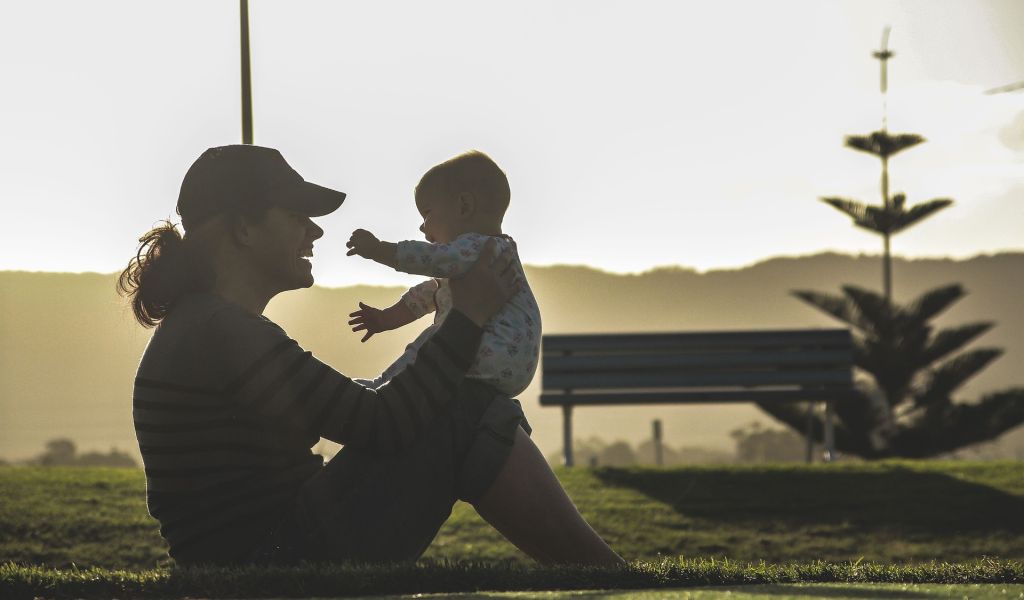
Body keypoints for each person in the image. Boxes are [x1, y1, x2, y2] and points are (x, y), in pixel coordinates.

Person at [120, 144, 623, 567]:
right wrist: (469, 316)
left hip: (267, 551)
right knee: (465, 407)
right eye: (298, 217)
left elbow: (358, 412)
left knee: (464, 403)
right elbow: (382, 424)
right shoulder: (219, 331)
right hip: (272, 562)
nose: (314, 233)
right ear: (243, 229)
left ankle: (609, 576)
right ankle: (614, 579)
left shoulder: (207, 326)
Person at [345, 151, 540, 398]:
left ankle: (385, 388)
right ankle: (384, 386)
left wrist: (378, 249)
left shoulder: (479, 247)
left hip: (492, 352)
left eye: (426, 213)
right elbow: (431, 295)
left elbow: (429, 259)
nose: (422, 226)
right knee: (439, 341)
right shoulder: (489, 256)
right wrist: (385, 319)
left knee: (432, 343)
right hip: (512, 366)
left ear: (464, 206)